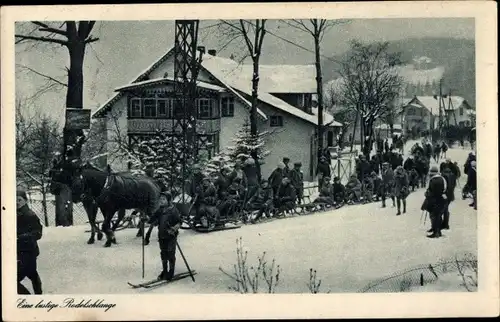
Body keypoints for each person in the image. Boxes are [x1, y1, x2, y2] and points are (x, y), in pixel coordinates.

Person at [147, 192, 181, 281]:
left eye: (163, 199)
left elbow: (179, 222)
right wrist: (146, 219)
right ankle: (165, 271)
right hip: (162, 235)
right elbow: (152, 218)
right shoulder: (160, 210)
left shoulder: (173, 210)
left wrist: (174, 229)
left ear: (169, 200)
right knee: (163, 253)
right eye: (160, 199)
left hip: (171, 236)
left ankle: (171, 271)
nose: (161, 201)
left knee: (170, 253)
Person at [17, 190, 43, 294]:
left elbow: (38, 233)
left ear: (25, 201)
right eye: (14, 200)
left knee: (12, 280)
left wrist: (22, 237)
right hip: (21, 251)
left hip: (28, 251)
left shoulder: (29, 215)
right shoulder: (14, 214)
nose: (17, 202)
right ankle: (39, 296)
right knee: (32, 274)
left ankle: (27, 298)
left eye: (19, 200)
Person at [421, 166, 447, 238]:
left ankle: (436, 232)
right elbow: (444, 189)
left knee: (434, 216)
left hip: (434, 200)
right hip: (441, 200)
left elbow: (432, 191)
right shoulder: (442, 178)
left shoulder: (434, 180)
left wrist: (427, 194)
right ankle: (437, 231)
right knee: (438, 216)